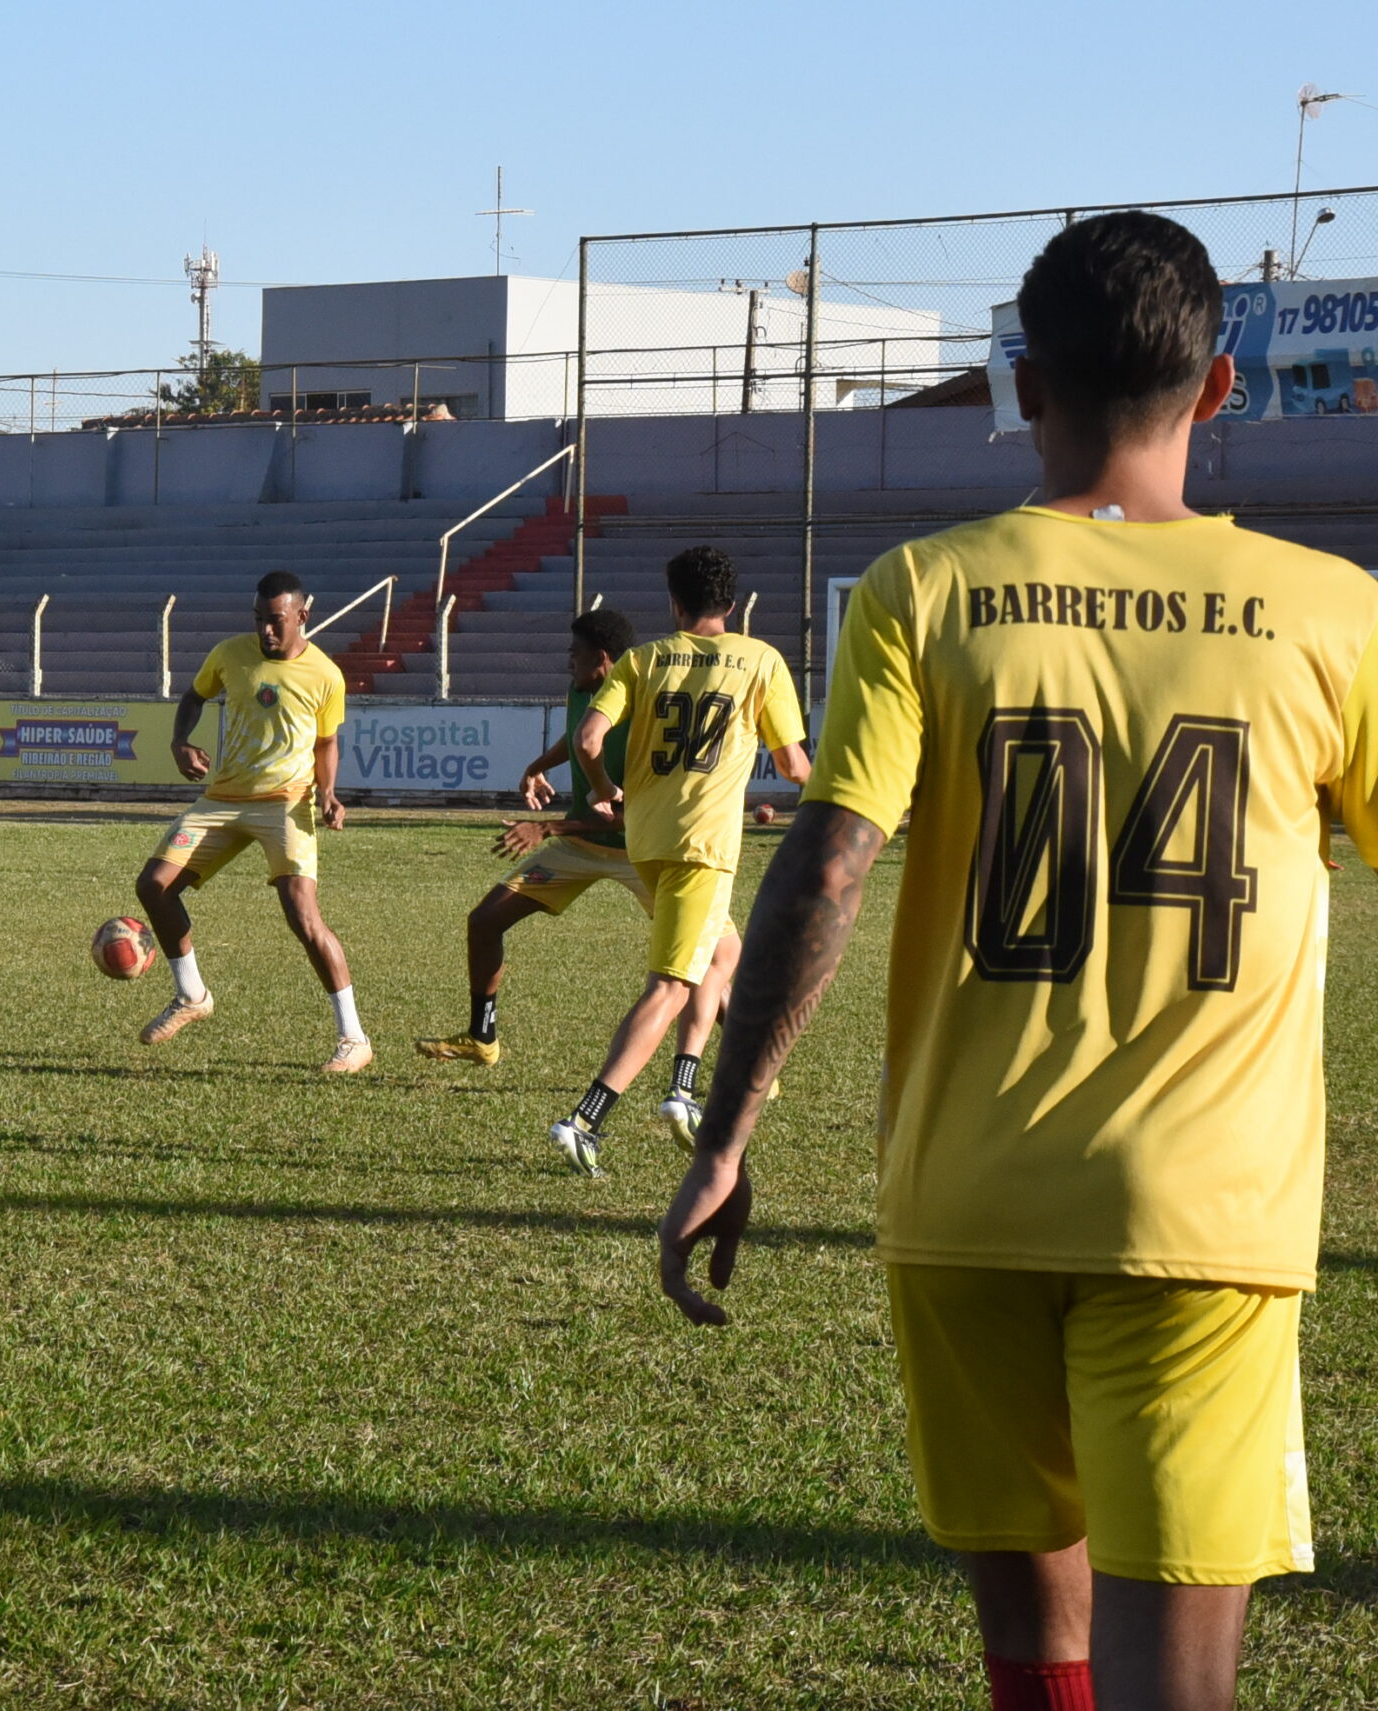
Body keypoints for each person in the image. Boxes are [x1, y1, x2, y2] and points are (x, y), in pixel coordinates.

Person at [658, 211, 1361, 1711]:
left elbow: (831, 860)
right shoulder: (1335, 613)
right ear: (1221, 388)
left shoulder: (931, 587)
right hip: (1199, 1214)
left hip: (966, 1201)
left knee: (1037, 1666)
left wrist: (725, 1130)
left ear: (1023, 385)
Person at [548, 546, 810, 1174]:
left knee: (722, 955)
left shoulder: (642, 660)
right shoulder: (761, 660)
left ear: (674, 602)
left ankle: (684, 1088)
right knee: (670, 985)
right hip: (703, 846)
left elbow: (589, 740)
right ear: (730, 602)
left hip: (647, 841)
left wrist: (606, 791)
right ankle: (586, 1119)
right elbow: (794, 766)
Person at [133, 569, 369, 1073]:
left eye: (275, 620)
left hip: (286, 803)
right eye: (259, 619)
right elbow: (194, 696)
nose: (264, 630)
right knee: (154, 885)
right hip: (222, 800)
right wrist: (180, 741)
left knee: (303, 917)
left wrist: (328, 793)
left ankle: (354, 1037)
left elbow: (326, 744)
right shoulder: (229, 654)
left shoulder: (326, 675)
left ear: (303, 616)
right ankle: (191, 995)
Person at [416, 608, 642, 1067]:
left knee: (694, 967)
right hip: (579, 846)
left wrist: (546, 827)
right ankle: (482, 1039)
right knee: (484, 921)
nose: (567, 662)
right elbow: (577, 736)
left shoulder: (641, 709)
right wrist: (538, 767)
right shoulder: (584, 689)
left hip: (639, 853)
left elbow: (624, 817)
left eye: (574, 655)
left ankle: (750, 1061)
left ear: (601, 658)